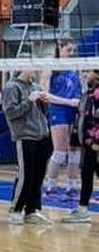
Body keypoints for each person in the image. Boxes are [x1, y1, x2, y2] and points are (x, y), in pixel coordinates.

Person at [3, 66, 53, 225]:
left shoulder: (36, 87)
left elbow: (41, 113)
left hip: (42, 135)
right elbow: (10, 113)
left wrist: (44, 102)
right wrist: (29, 100)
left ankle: (32, 210)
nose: (35, 68)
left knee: (38, 176)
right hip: (25, 136)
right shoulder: (11, 87)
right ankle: (15, 210)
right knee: (26, 175)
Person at [43, 37, 83, 198]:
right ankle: (51, 187)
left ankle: (71, 186)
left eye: (73, 50)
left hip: (75, 110)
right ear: (60, 48)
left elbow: (81, 88)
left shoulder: (76, 66)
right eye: (68, 50)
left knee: (75, 151)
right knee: (60, 151)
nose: (71, 53)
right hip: (58, 110)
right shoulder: (51, 67)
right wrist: (68, 102)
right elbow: (45, 95)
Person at [62, 70, 99, 224]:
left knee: (89, 174)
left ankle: (82, 208)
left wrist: (96, 142)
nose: (84, 74)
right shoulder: (87, 93)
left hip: (95, 144)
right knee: (86, 175)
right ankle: (82, 209)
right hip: (88, 144)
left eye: (87, 71)